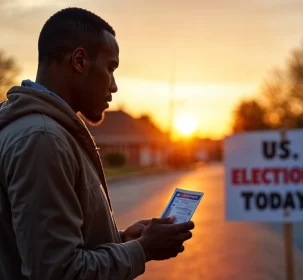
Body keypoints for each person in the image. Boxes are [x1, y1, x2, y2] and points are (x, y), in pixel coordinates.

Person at [0, 7, 194, 280]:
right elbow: (58, 272)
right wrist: (142, 250)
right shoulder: (43, 139)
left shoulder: (50, 132)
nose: (114, 86)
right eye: (110, 68)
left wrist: (123, 238)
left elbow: (57, 244)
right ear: (79, 61)